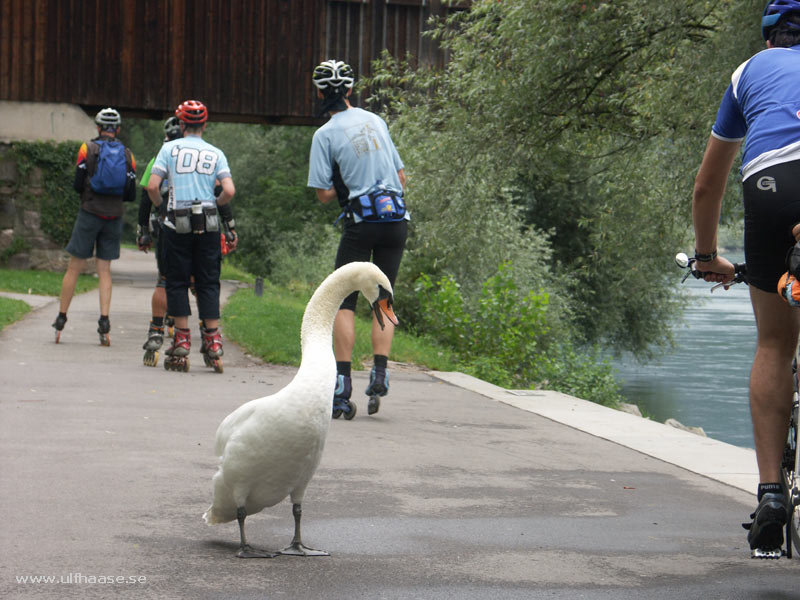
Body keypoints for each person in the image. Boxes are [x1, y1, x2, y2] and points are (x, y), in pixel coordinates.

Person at [691, 1, 800, 557]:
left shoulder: (749, 73)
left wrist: (708, 254)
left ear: (768, 39)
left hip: (773, 187)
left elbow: (707, 185)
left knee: (776, 343)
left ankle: (771, 496)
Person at [307, 59, 408, 417]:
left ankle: (342, 384)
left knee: (344, 300)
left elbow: (322, 193)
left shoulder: (325, 134)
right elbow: (401, 177)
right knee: (382, 299)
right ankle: (380, 372)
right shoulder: (376, 120)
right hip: (396, 219)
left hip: (360, 222)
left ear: (319, 92)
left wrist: (342, 184)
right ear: (350, 90)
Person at [146, 100, 237, 373]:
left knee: (176, 282)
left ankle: (182, 341)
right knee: (208, 282)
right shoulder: (216, 153)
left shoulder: (168, 149)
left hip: (177, 223)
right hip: (208, 223)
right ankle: (213, 341)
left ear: (182, 124)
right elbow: (229, 191)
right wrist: (216, 203)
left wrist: (162, 208)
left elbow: (152, 185)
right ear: (205, 125)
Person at [52, 107, 136, 345]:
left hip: (89, 213)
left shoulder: (86, 149)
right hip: (114, 217)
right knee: (105, 271)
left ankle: (61, 319)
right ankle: (104, 322)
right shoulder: (127, 154)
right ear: (117, 130)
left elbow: (77, 184)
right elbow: (130, 193)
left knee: (74, 267)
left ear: (98, 128)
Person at [136, 116, 183, 366]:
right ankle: (180, 324)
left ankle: (156, 330)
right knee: (191, 279)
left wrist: (142, 229)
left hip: (164, 224)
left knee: (164, 279)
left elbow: (146, 197)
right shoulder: (195, 156)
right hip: (194, 225)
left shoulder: (160, 156)